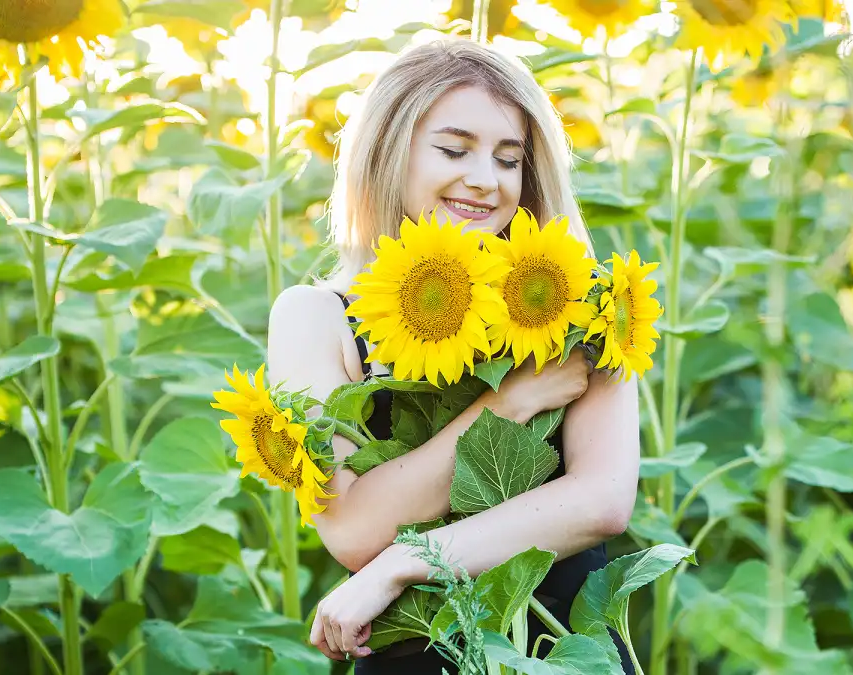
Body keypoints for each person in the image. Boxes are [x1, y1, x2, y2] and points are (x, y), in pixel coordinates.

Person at [266, 37, 640, 674]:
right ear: (390, 150)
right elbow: (355, 531)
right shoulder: (316, 317)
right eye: (453, 149)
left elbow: (602, 500)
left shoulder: (577, 303)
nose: (484, 179)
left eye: (508, 158)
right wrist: (510, 402)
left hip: (560, 650)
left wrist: (407, 561)